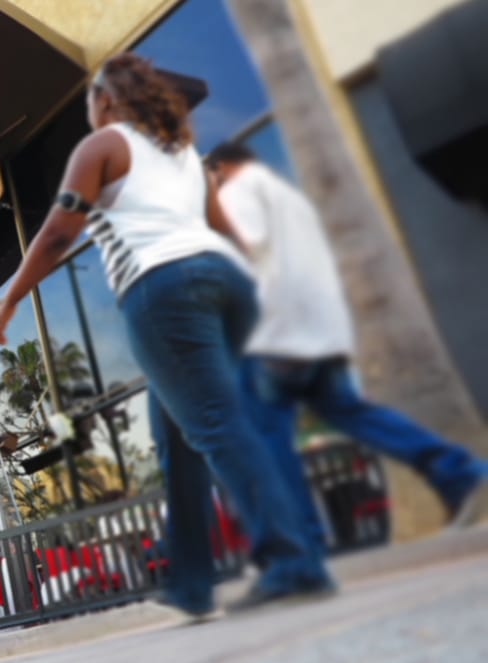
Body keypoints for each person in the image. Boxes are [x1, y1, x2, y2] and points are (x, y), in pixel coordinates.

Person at [0, 52, 332, 615]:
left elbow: (56, 234)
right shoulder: (180, 154)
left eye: (90, 101)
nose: (89, 112)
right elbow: (223, 227)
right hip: (225, 283)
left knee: (218, 426)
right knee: (175, 438)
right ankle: (193, 581)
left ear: (105, 100)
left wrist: (10, 299)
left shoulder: (102, 146)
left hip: (163, 290)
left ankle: (294, 560)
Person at [206, 141, 488, 545]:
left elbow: (251, 247)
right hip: (323, 332)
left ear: (221, 169)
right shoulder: (290, 197)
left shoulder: (239, 191)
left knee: (262, 435)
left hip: (280, 333)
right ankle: (458, 473)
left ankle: (301, 541)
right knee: (355, 413)